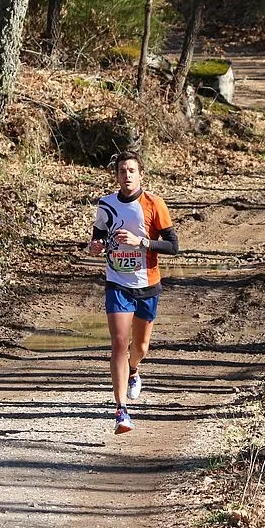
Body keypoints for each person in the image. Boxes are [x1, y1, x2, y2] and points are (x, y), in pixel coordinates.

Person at [86, 151, 179, 434]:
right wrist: (95, 246)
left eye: (131, 170)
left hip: (147, 284)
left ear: (141, 175)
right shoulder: (107, 204)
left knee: (139, 348)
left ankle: (134, 369)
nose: (126, 175)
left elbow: (173, 246)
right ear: (116, 175)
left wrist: (143, 242)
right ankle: (121, 411)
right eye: (122, 171)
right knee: (118, 343)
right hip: (117, 282)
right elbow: (98, 234)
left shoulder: (154, 204)